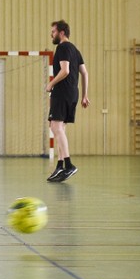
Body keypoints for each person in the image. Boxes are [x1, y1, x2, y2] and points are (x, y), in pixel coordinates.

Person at [46, 20, 89, 183]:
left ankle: (69, 165)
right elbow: (84, 73)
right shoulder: (75, 50)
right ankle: (60, 165)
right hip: (73, 93)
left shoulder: (63, 47)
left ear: (62, 32)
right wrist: (85, 95)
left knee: (56, 127)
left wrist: (51, 83)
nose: (52, 34)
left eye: (53, 31)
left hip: (62, 92)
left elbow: (65, 71)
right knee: (59, 128)